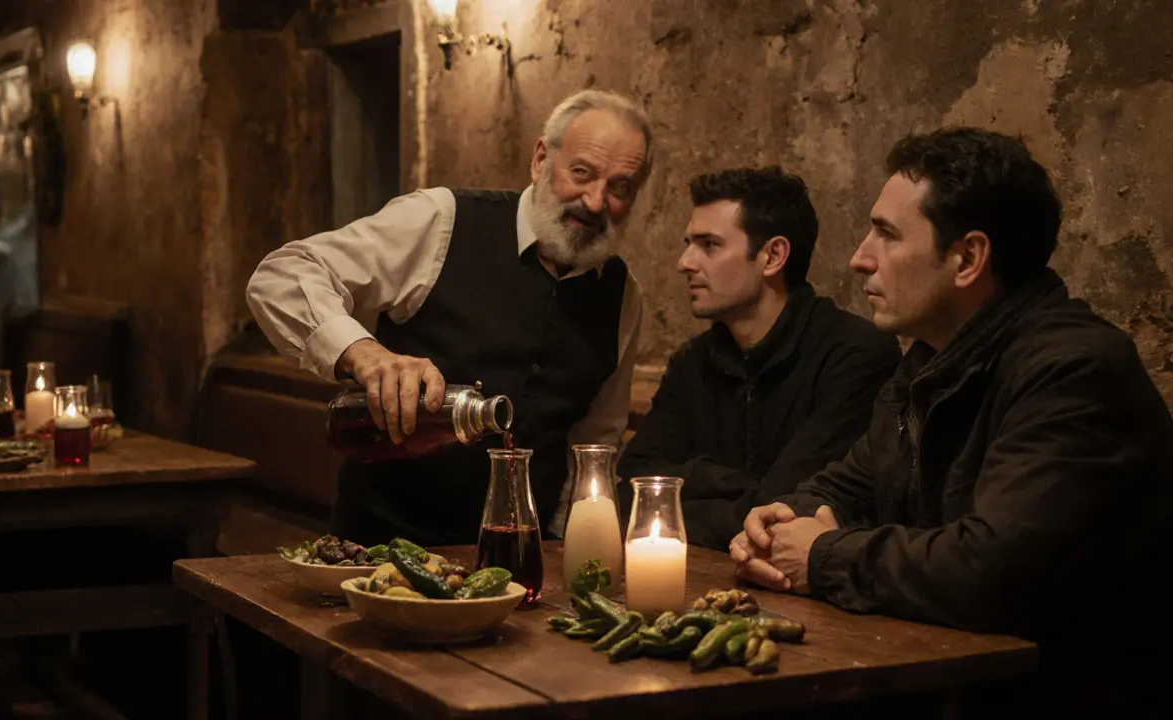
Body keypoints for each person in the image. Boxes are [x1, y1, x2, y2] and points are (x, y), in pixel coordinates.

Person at [732, 127, 1173, 713]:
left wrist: (822, 555)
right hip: (950, 682)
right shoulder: (929, 362)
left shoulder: (1072, 371)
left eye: (886, 235)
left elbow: (994, 572)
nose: (859, 258)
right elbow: (847, 484)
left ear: (967, 258)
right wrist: (777, 522)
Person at [246, 89, 651, 546]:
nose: (595, 202)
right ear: (541, 160)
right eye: (581, 173)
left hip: (516, 564)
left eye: (620, 188)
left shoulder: (622, 296)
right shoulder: (442, 220)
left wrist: (569, 551)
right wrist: (365, 354)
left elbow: (594, 445)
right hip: (379, 553)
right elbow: (282, 275)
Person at [616, 167, 899, 550]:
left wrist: (689, 492)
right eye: (689, 243)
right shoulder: (694, 361)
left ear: (773, 256)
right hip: (699, 578)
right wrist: (720, 480)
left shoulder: (853, 355)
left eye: (709, 245)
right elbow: (633, 491)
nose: (684, 262)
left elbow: (781, 515)